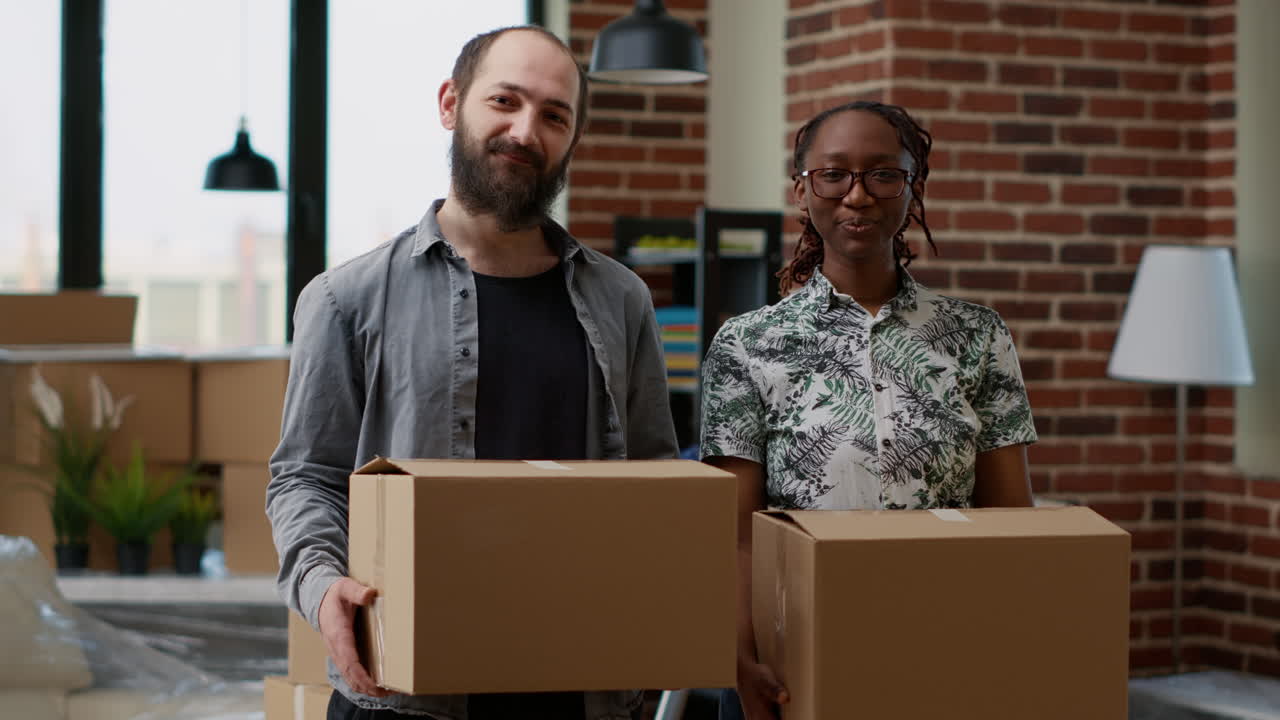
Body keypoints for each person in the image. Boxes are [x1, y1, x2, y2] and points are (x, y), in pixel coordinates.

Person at [266, 25, 678, 720]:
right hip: (407, 692)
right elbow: (305, 474)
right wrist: (320, 582)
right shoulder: (347, 298)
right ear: (451, 103)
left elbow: (654, 479)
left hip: (579, 688)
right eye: (505, 101)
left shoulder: (621, 301)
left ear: (572, 140)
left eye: (554, 116)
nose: (525, 131)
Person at [698, 100, 1039, 720]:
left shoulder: (978, 335)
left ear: (913, 189)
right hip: (793, 647)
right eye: (834, 174)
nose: (858, 195)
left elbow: (1010, 519)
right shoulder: (747, 344)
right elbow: (737, 532)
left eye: (883, 174)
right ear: (803, 191)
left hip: (943, 643)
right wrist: (738, 657)